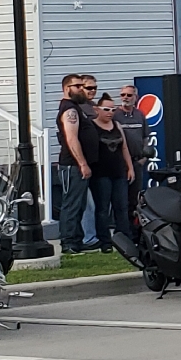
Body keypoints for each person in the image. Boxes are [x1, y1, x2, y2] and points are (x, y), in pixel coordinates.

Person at [57, 73, 99, 254]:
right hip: (72, 166)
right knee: (72, 204)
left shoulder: (77, 107)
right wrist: (82, 163)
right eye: (78, 86)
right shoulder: (69, 110)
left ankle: (78, 238)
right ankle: (68, 242)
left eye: (83, 86)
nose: (82, 89)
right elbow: (72, 139)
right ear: (67, 89)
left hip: (78, 165)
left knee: (81, 204)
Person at [89, 94, 135, 253]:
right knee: (103, 208)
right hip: (100, 173)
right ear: (97, 109)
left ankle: (124, 237)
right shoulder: (92, 126)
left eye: (113, 109)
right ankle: (105, 241)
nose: (110, 112)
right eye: (106, 109)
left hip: (119, 172)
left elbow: (124, 148)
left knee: (121, 206)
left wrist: (130, 167)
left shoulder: (117, 125)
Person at [114, 84, 149, 233]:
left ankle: (135, 230)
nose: (125, 98)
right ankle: (122, 230)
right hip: (120, 164)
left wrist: (144, 158)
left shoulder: (140, 115)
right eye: (123, 95)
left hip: (137, 162)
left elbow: (146, 137)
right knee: (121, 199)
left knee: (135, 199)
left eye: (129, 95)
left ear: (136, 97)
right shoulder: (115, 114)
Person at [78, 74, 100, 250]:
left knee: (97, 202)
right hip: (80, 163)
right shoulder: (77, 109)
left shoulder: (94, 107)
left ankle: (95, 235)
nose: (92, 91)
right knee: (86, 203)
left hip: (98, 162)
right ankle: (88, 239)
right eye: (88, 88)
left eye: (94, 88)